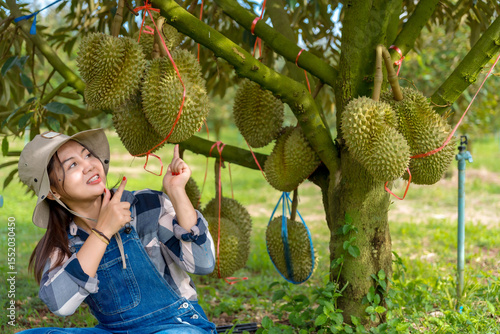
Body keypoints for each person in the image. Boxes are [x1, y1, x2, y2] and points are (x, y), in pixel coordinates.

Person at [17, 129, 217, 334]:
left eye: (87, 155)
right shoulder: (63, 244)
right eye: (73, 164)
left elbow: (204, 263)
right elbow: (61, 305)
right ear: (53, 192)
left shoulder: (148, 206)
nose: (89, 165)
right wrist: (103, 230)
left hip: (176, 325)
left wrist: (177, 192)